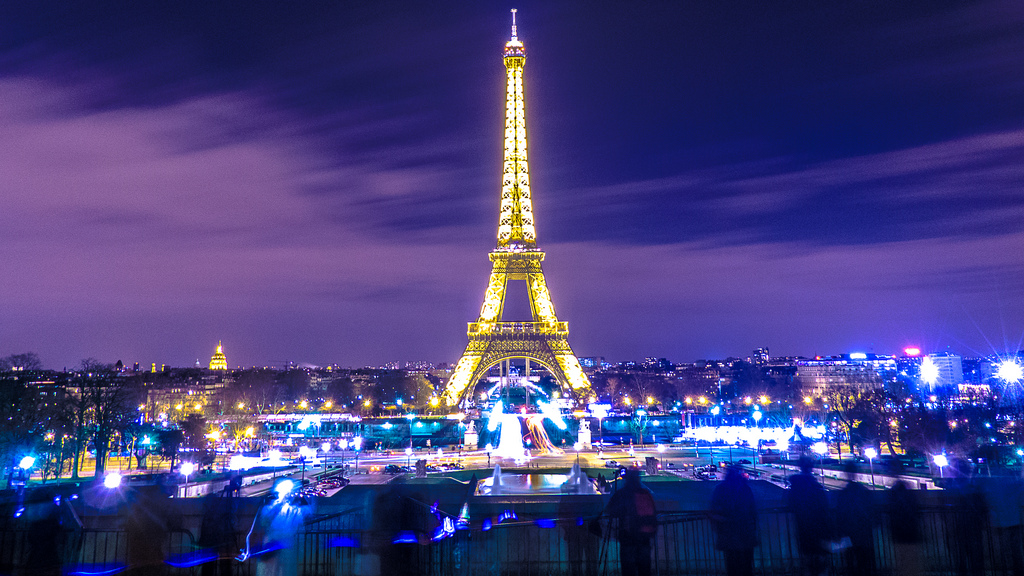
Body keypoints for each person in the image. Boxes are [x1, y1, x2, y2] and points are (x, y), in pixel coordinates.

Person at [605, 468, 657, 576]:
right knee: (645, 569)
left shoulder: (623, 494)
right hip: (645, 538)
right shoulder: (645, 493)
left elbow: (610, 509)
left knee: (628, 570)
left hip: (628, 538)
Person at [710, 465, 758, 576]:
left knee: (732, 565)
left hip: (729, 533)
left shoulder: (720, 489)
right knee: (746, 565)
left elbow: (714, 509)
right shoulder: (745, 488)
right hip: (745, 532)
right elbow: (753, 510)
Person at [787, 455, 831, 576]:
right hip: (818, 528)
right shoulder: (816, 487)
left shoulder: (795, 487)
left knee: (807, 560)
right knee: (820, 561)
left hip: (802, 528)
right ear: (811, 468)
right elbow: (824, 508)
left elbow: (790, 505)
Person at [835, 461, 877, 576]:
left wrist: (840, 533)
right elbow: (872, 513)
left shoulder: (843, 494)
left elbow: (840, 516)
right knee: (864, 563)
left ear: (846, 473)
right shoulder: (864, 492)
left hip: (848, 534)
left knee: (850, 564)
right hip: (863, 533)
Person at [888, 475, 923, 576]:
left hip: (899, 534)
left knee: (902, 560)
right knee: (912, 561)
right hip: (911, 533)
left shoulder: (893, 498)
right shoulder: (910, 496)